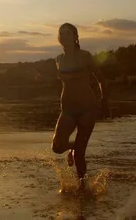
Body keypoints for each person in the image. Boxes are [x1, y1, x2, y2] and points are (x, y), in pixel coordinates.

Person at [51, 22, 108, 189]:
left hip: (87, 108)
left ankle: (83, 190)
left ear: (75, 37)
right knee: (57, 146)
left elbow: (101, 79)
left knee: (80, 155)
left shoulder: (85, 56)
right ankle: (73, 148)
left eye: (68, 33)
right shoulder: (58, 60)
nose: (64, 36)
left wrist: (105, 101)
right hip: (67, 109)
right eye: (61, 33)